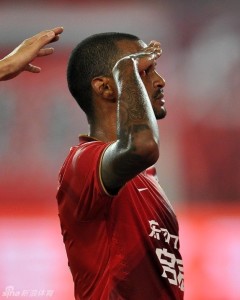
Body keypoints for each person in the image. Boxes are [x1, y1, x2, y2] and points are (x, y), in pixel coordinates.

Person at [57, 32, 184, 300]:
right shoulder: (84, 162)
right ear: (105, 88)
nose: (161, 81)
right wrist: (127, 68)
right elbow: (141, 146)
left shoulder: (144, 176)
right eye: (145, 71)